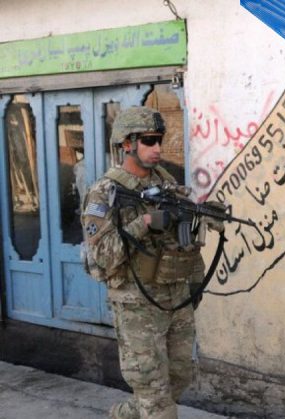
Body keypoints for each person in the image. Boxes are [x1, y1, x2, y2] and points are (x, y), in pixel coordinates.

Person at [81, 106, 206, 419]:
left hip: (174, 296)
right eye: (149, 141)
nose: (158, 148)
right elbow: (102, 257)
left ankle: (124, 414)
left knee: (179, 376)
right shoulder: (103, 193)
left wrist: (200, 218)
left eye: (159, 140)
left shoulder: (165, 181)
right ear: (127, 144)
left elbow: (182, 232)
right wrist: (145, 222)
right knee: (154, 392)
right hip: (136, 304)